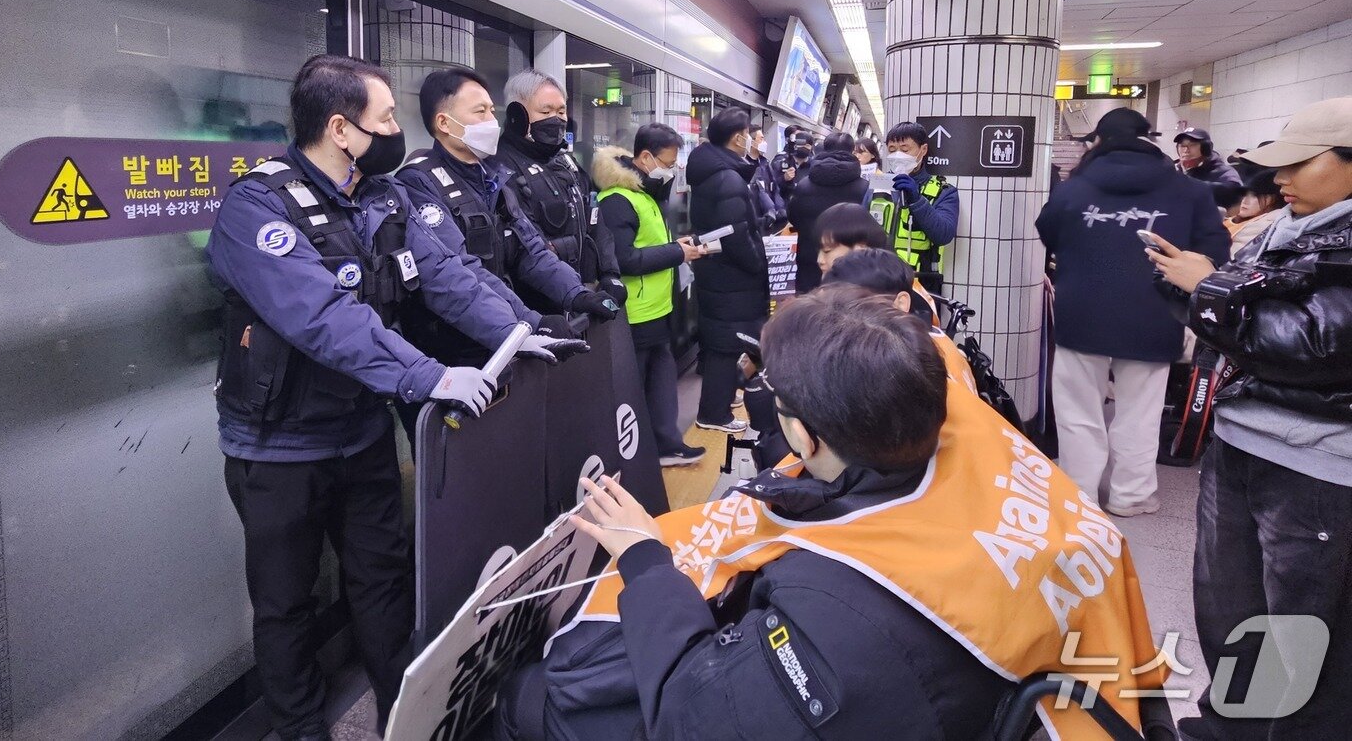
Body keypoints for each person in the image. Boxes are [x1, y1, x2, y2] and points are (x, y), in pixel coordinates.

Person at [495, 290, 1163, 741]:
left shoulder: (840, 614)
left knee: (532, 701)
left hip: (889, 692)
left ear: (804, 438)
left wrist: (646, 561)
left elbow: (692, 715)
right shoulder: (974, 435)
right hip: (990, 688)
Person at [205, 55, 579, 740]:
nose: (394, 132)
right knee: (286, 605)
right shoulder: (258, 206)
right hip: (277, 446)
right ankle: (301, 730)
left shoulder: (382, 197)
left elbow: (450, 274)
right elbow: (323, 316)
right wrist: (429, 376)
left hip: (361, 431)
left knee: (382, 584)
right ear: (340, 128)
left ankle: (404, 721)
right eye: (383, 120)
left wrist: (519, 331)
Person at [1146, 96, 1352, 741]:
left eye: (1300, 163)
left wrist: (1205, 287)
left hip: (1317, 464)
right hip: (1239, 440)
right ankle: (1228, 727)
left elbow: (1316, 347)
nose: (1279, 178)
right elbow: (1240, 325)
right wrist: (1184, 286)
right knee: (1230, 609)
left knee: (1302, 630)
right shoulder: (1284, 229)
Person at [392, 70, 616, 434]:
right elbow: (458, 272)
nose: (491, 122)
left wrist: (575, 294)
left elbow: (530, 248)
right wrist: (529, 323)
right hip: (450, 352)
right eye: (479, 112)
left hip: (499, 342)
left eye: (491, 111)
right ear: (444, 123)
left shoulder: (490, 176)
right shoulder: (419, 183)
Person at [1035, 107, 1230, 516]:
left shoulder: (1075, 188)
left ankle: (1080, 495)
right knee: (1141, 410)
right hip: (1155, 312)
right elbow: (1215, 251)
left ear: (1099, 141)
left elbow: (1047, 231)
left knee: (1077, 410)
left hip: (1081, 310)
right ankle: (1131, 495)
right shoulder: (1189, 190)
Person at [592, 125, 708, 467]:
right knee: (633, 389)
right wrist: (676, 253)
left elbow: (651, 244)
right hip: (634, 312)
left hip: (658, 309)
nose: (671, 171)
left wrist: (676, 246)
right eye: (668, 163)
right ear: (645, 157)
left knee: (661, 381)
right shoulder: (617, 200)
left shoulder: (644, 195)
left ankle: (666, 445)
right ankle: (635, 457)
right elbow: (623, 259)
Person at [493, 69, 625, 306]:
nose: (556, 119)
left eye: (561, 111)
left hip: (581, 299)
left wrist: (609, 273)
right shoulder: (500, 167)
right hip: (534, 306)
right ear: (517, 115)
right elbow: (526, 250)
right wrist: (576, 294)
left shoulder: (567, 162)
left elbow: (595, 218)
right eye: (546, 112)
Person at [686, 107, 768, 434]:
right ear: (737, 138)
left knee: (724, 342)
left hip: (716, 272)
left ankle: (721, 400)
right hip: (732, 277)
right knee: (726, 346)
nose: (752, 140)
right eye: (749, 134)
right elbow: (737, 233)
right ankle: (714, 413)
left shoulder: (713, 171)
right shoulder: (728, 178)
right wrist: (757, 261)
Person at [877, 121, 959, 294]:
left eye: (905, 149)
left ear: (923, 150)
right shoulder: (878, 185)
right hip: (877, 280)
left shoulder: (943, 191)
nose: (898, 155)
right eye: (892, 150)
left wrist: (917, 200)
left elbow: (944, 234)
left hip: (920, 283)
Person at [786, 132, 871, 293]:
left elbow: (794, 217)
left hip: (809, 260)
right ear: (852, 151)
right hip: (851, 266)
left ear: (824, 149)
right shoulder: (865, 188)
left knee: (809, 306)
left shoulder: (803, 185)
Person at [1224, 153, 1285, 252]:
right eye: (1246, 194)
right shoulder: (1241, 219)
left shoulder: (1263, 228)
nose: (1245, 201)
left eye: (1254, 196)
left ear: (1273, 198)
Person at [1174, 128, 1244, 210]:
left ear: (1206, 148)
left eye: (1192, 145)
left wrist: (1192, 186)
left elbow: (1234, 191)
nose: (1186, 150)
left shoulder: (1224, 171)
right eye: (1182, 146)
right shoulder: (1174, 171)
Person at [746, 124, 788, 233]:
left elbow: (774, 188)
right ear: (751, 142)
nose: (765, 142)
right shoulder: (745, 165)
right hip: (756, 218)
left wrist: (780, 209)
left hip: (770, 218)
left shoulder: (765, 163)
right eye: (761, 139)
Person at [770, 128, 814, 202]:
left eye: (808, 145)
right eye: (802, 144)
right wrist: (784, 179)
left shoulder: (814, 167)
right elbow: (770, 187)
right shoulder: (780, 163)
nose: (804, 147)